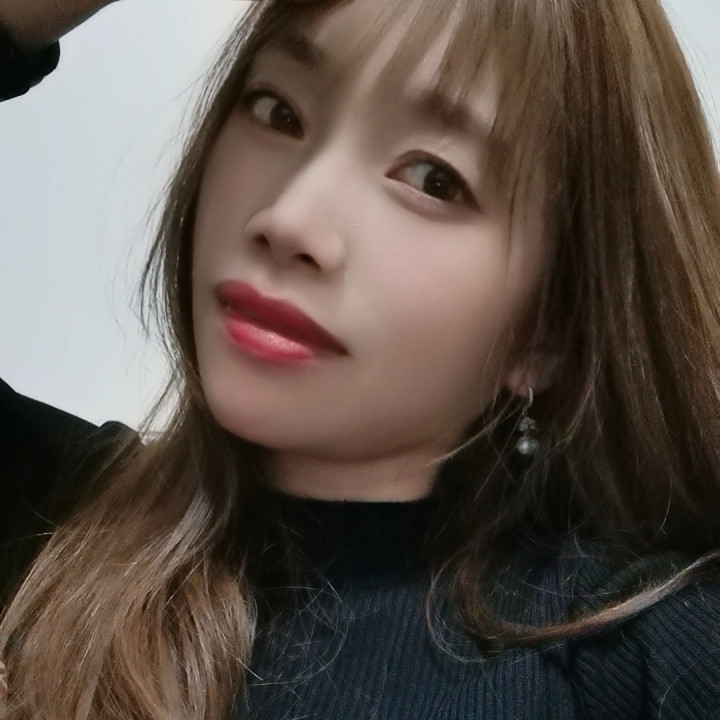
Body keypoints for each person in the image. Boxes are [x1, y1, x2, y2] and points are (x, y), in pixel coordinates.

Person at [1, 0, 720, 718]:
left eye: (432, 178)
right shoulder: (56, 524)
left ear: (548, 327)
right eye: (278, 111)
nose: (289, 219)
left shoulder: (639, 651)